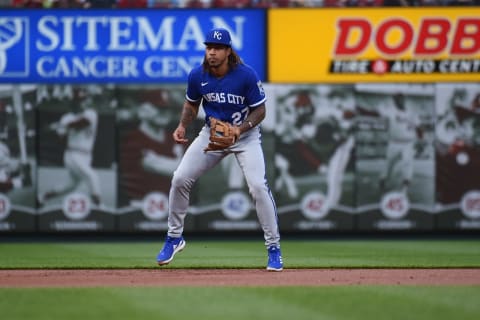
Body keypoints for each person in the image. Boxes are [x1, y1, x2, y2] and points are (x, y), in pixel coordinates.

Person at [156, 28, 283, 271]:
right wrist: (183, 125)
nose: (211, 52)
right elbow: (191, 104)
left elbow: (261, 110)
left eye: (217, 47)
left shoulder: (245, 75)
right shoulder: (198, 75)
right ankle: (174, 237)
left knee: (257, 186)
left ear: (227, 51)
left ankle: (274, 248)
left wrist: (241, 128)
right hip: (211, 134)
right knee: (180, 178)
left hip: (245, 137)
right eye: (208, 47)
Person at [38, 86, 101, 207]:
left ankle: (42, 197)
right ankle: (99, 206)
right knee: (93, 176)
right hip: (73, 154)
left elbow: (81, 124)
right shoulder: (66, 117)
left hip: (86, 156)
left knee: (70, 186)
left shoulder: (91, 114)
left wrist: (60, 125)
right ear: (75, 102)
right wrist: (59, 130)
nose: (85, 103)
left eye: (85, 100)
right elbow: (61, 138)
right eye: (81, 100)